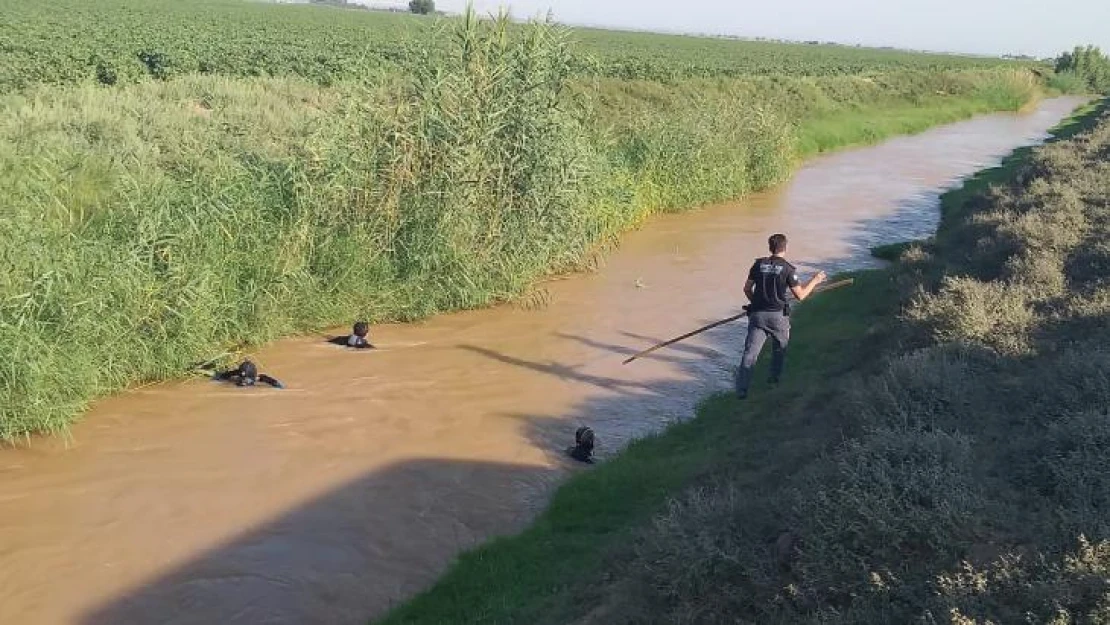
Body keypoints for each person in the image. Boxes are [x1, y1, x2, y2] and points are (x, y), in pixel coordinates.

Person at [735, 233, 826, 400]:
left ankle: (742, 389)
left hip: (757, 316)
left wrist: (756, 303)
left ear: (770, 247)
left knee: (750, 353)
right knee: (779, 349)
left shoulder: (758, 264)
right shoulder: (788, 269)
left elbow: (747, 289)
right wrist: (815, 280)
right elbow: (800, 295)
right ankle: (773, 380)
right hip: (778, 317)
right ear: (785, 247)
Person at [212, 360, 285, 389]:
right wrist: (217, 377)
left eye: (246, 379)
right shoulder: (237, 373)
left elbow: (274, 382)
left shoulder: (260, 378)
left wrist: (277, 384)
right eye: (242, 377)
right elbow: (224, 375)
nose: (244, 380)